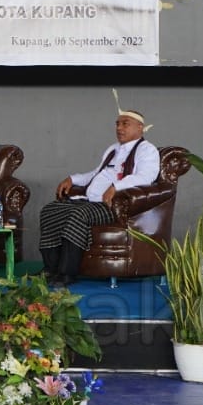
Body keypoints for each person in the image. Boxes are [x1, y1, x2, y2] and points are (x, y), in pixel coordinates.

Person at [39, 105, 159, 286]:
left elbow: (146, 177)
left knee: (78, 215)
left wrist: (115, 186)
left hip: (114, 206)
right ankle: (50, 268)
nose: (119, 128)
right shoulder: (113, 149)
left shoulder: (147, 150)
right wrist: (73, 179)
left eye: (125, 124)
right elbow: (97, 173)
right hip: (91, 201)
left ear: (139, 127)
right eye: (117, 124)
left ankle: (67, 274)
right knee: (50, 210)